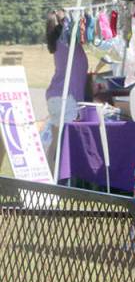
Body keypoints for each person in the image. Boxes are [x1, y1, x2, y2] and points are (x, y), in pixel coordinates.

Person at [43, 9, 88, 168]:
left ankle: (50, 180)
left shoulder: (59, 42)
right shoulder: (66, 40)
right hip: (66, 98)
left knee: (56, 144)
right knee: (65, 145)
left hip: (56, 96)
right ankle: (60, 182)